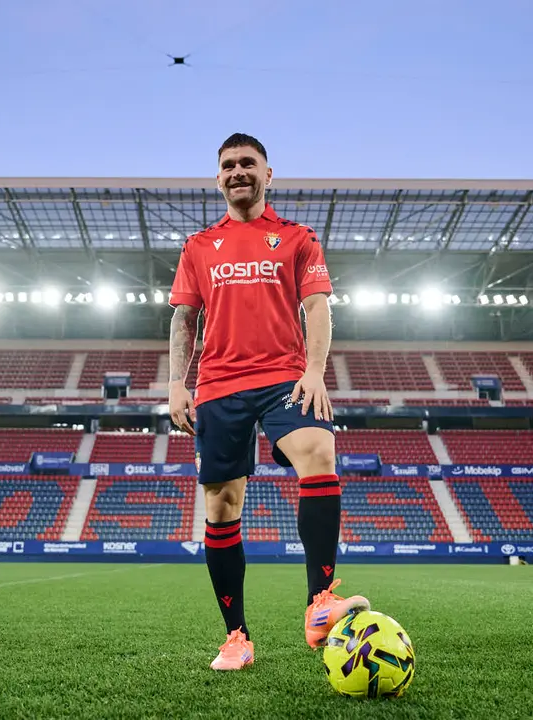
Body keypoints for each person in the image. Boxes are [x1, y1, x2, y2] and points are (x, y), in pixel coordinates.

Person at [168, 133, 368, 672]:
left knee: (319, 454)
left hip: (284, 376)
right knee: (221, 507)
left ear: (268, 174)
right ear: (218, 178)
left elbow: (318, 306)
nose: (238, 172)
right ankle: (236, 637)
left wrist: (315, 372)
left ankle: (320, 603)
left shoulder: (298, 238)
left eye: (247, 164)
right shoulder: (198, 247)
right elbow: (184, 319)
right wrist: (176, 385)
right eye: (228, 165)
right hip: (218, 385)